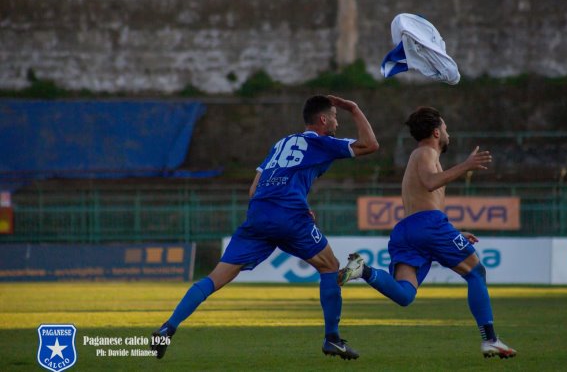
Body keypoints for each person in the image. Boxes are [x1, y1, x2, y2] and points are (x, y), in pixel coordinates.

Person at [151, 95, 379, 360]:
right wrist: (353, 108)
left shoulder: (280, 143)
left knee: (214, 278)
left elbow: (253, 189)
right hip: (289, 216)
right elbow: (370, 144)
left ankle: (168, 327)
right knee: (330, 267)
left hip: (258, 215)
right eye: (336, 117)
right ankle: (332, 339)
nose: (338, 123)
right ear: (323, 119)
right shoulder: (322, 142)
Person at [338, 106, 516, 359]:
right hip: (429, 227)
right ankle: (490, 340)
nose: (447, 133)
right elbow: (431, 183)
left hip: (409, 230)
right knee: (476, 272)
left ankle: (363, 270)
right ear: (435, 132)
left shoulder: (421, 156)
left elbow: (425, 200)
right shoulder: (425, 153)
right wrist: (466, 165)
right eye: (445, 128)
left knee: (405, 295)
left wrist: (453, 232)